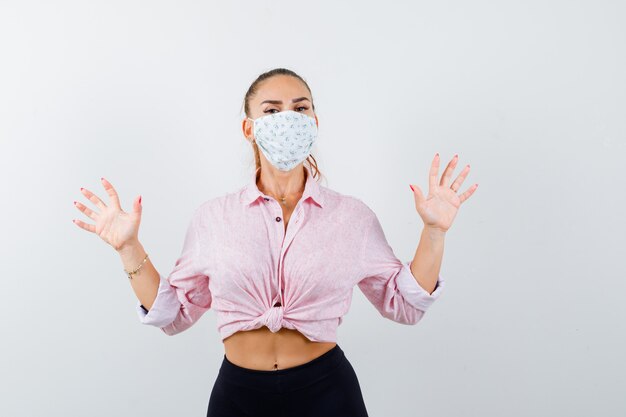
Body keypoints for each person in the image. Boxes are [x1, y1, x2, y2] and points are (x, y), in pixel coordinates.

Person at [72, 67, 478, 417]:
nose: (289, 118)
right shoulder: (214, 218)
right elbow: (173, 315)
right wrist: (128, 247)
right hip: (238, 397)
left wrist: (435, 232)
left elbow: (403, 304)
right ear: (249, 127)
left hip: (328, 393)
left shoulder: (351, 217)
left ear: (314, 121)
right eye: (272, 110)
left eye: (301, 108)